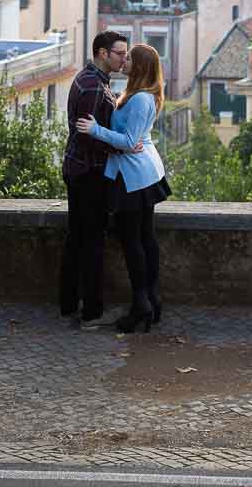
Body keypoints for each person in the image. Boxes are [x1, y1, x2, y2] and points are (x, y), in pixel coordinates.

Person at [76, 43, 170, 333]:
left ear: (140, 66)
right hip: (138, 173)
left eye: (130, 58)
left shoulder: (141, 99)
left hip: (135, 177)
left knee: (134, 241)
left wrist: (95, 130)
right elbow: (133, 139)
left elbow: (129, 142)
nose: (124, 60)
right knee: (143, 237)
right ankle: (150, 301)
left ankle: (141, 304)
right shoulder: (138, 95)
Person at [59, 30, 129, 326]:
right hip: (89, 173)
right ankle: (92, 311)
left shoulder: (90, 80)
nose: (125, 59)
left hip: (80, 169)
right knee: (92, 241)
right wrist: (121, 144)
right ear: (103, 53)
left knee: (77, 237)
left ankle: (68, 303)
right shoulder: (94, 88)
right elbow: (88, 135)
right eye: (120, 54)